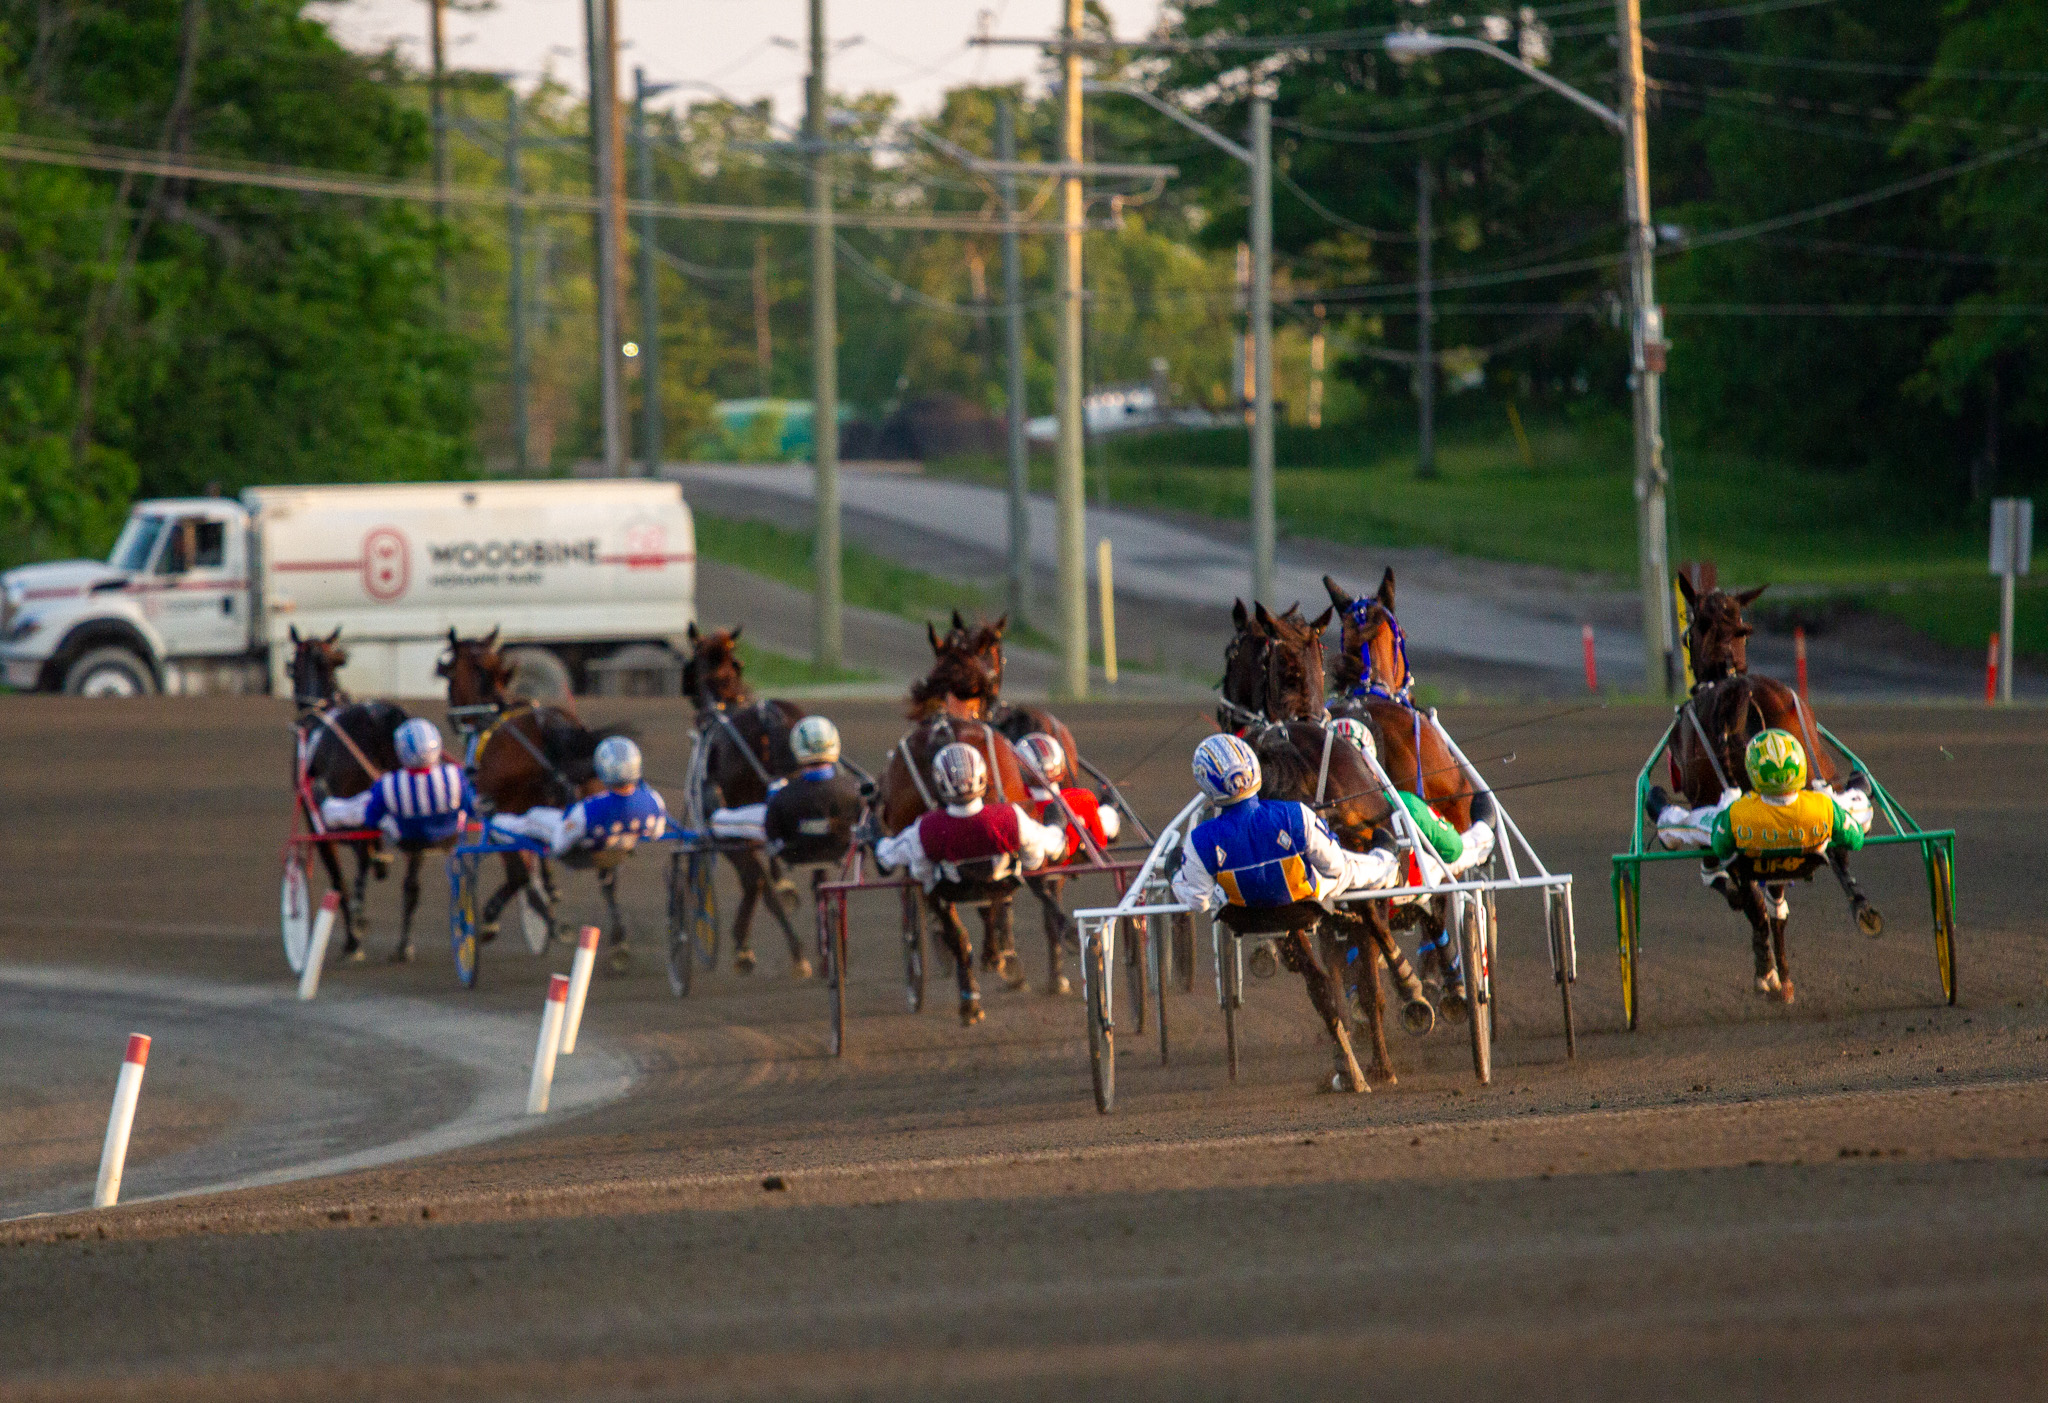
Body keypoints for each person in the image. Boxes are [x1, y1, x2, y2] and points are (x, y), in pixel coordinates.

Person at [1170, 734, 1397, 914]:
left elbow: (1198, 902)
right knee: (1347, 868)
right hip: (1302, 898)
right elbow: (1335, 867)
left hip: (1242, 910)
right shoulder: (1295, 814)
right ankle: (1388, 866)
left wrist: (1175, 875)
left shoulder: (1199, 840)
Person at [1650, 729, 1869, 864]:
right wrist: (1825, 798)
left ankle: (1665, 817)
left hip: (1746, 834)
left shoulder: (1737, 814)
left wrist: (1730, 802)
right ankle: (1859, 793)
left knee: (1689, 824)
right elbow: (1856, 839)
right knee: (1858, 808)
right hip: (1814, 824)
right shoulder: (1825, 808)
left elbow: (1721, 847)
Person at [874, 741, 1068, 890]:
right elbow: (1041, 853)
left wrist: (875, 837)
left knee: (917, 861)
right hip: (1002, 881)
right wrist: (1052, 839)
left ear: (940, 784)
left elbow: (886, 858)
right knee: (1042, 841)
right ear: (982, 777)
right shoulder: (1009, 817)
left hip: (948, 888)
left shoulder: (926, 828)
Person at [709, 715, 866, 866]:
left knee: (719, 820)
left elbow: (772, 830)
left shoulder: (783, 796)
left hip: (795, 853)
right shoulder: (854, 790)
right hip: (839, 850)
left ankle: (709, 824)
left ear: (797, 746)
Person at [489, 735, 667, 859]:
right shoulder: (654, 800)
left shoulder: (588, 809)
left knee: (533, 817)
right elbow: (656, 834)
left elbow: (559, 846)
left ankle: (494, 825)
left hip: (585, 841)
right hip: (623, 840)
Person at [319, 717, 476, 845]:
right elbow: (471, 807)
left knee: (363, 803)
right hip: (448, 835)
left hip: (406, 838)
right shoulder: (455, 775)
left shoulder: (387, 784)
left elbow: (372, 819)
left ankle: (326, 809)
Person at [1014, 732, 1120, 861]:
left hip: (1034, 853)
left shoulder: (1014, 806)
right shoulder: (1081, 798)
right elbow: (1100, 841)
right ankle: (1111, 805)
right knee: (1107, 816)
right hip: (1065, 848)